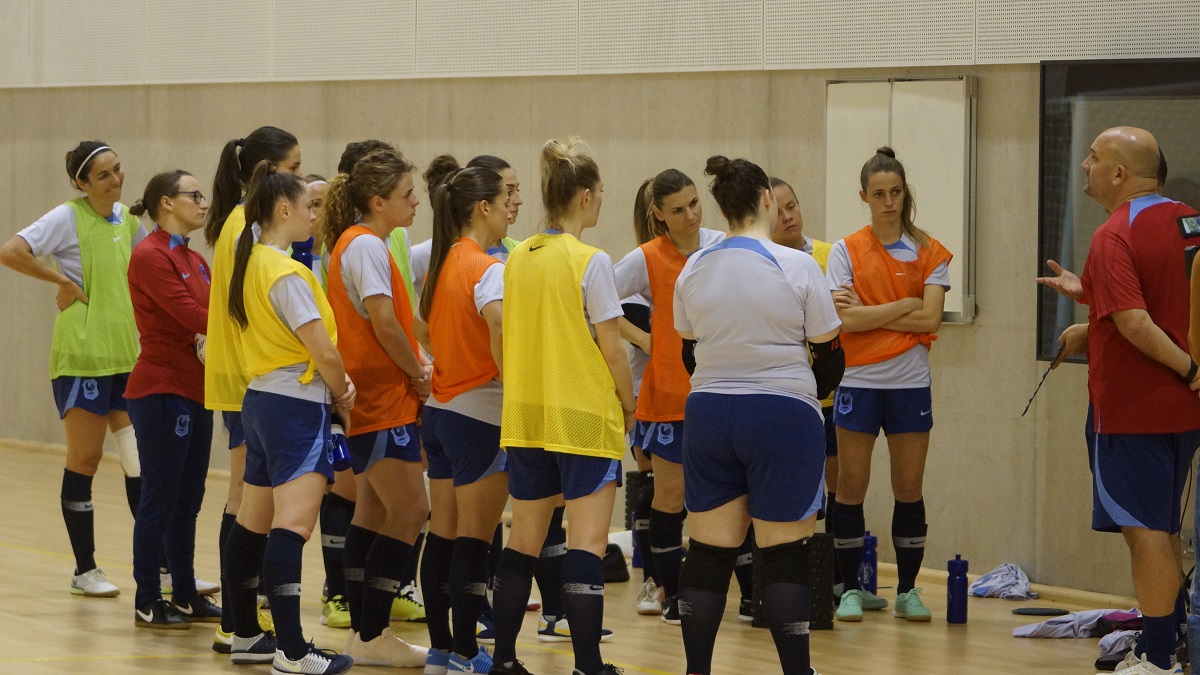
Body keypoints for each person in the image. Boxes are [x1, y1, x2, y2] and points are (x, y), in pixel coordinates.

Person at [1040, 127, 1200, 675]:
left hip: (1135, 412)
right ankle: (1171, 641)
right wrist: (1091, 304)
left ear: (1119, 174)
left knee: (1147, 533)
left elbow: (1134, 321)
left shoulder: (1113, 234)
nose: (1083, 165)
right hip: (1184, 417)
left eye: (1093, 157)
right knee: (1164, 528)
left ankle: (1157, 662)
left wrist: (1189, 368)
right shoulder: (1190, 220)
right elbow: (1162, 294)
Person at [674, 154, 842, 675]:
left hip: (708, 412)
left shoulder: (694, 266)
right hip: (781, 412)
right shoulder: (797, 264)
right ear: (766, 200)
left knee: (707, 553)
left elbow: (688, 353)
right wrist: (802, 398)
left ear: (722, 209)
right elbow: (830, 355)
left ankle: (696, 670)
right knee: (785, 553)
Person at [491, 137, 635, 675]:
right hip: (583, 415)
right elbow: (613, 349)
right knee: (587, 544)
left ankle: (503, 659)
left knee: (523, 540)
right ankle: (588, 666)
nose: (602, 199)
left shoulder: (517, 258)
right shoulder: (589, 261)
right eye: (599, 192)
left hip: (528, 417)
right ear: (582, 196)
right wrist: (631, 406)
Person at [0, 141, 147, 597]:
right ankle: (85, 570)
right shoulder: (66, 217)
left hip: (128, 357)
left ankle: (158, 567)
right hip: (83, 356)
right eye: (104, 175)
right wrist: (60, 279)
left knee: (140, 463)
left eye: (118, 170)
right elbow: (11, 251)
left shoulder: (131, 221)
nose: (116, 180)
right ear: (81, 183)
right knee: (85, 460)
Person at [227, 161, 356, 674]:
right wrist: (344, 391)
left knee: (252, 521)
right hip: (294, 406)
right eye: (308, 208)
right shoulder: (285, 271)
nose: (314, 217)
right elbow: (323, 352)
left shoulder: (253, 262)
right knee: (293, 525)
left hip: (260, 402)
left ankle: (245, 635)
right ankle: (293, 650)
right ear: (284, 209)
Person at [827, 147, 952, 624]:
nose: (888, 201)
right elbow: (846, 321)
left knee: (908, 488)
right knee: (851, 487)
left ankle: (907, 589)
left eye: (895, 192)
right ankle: (852, 591)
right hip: (858, 381)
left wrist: (872, 312)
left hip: (909, 385)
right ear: (864, 196)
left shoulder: (929, 251)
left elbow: (932, 315)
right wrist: (905, 304)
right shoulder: (845, 250)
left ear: (905, 193)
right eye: (878, 194)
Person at [320, 147, 431, 668]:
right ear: (378, 200)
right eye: (408, 196)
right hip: (381, 399)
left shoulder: (365, 243)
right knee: (411, 510)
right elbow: (383, 323)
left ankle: (363, 634)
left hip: (379, 397)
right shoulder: (363, 246)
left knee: (375, 511)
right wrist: (417, 371)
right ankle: (372, 633)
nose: (416, 204)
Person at [204, 125, 302, 655]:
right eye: (292, 168)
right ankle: (237, 621)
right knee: (243, 498)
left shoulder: (241, 221)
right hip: (248, 378)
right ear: (269, 172)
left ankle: (242, 617)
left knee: (247, 498)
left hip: (246, 376)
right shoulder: (246, 227)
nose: (300, 179)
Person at [768, 176, 886, 611]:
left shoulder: (829, 254)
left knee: (842, 489)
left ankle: (843, 584)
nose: (789, 215)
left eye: (793, 204)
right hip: (788, 397)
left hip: (834, 394)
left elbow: (845, 314)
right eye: (779, 209)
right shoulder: (764, 262)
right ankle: (794, 586)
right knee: (795, 495)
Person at [614, 168, 725, 624]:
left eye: (695, 204)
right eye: (677, 210)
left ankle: (712, 590)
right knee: (671, 495)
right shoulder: (644, 258)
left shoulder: (721, 245)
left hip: (717, 389)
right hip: (667, 395)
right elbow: (591, 301)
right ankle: (671, 592)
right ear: (658, 214)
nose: (690, 216)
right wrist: (642, 340)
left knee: (717, 497)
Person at [418, 158, 511, 673]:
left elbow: (422, 328)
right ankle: (467, 651)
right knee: (476, 539)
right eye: (503, 203)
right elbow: (498, 324)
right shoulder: (486, 267)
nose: (508, 211)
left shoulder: (442, 262)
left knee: (445, 534)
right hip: (479, 416)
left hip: (440, 413)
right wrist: (509, 381)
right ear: (483, 208)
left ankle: (440, 648)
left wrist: (451, 360)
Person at [125, 170, 222, 628]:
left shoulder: (195, 258)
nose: (203, 203)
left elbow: (211, 312)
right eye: (194, 195)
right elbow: (190, 314)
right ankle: (148, 598)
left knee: (189, 498)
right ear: (167, 202)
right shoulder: (150, 255)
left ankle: (185, 593)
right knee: (159, 498)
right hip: (161, 389)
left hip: (197, 388)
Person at [624, 185, 658, 615]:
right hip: (644, 396)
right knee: (650, 482)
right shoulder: (632, 275)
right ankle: (651, 580)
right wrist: (654, 340)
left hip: (694, 394)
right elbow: (601, 318)